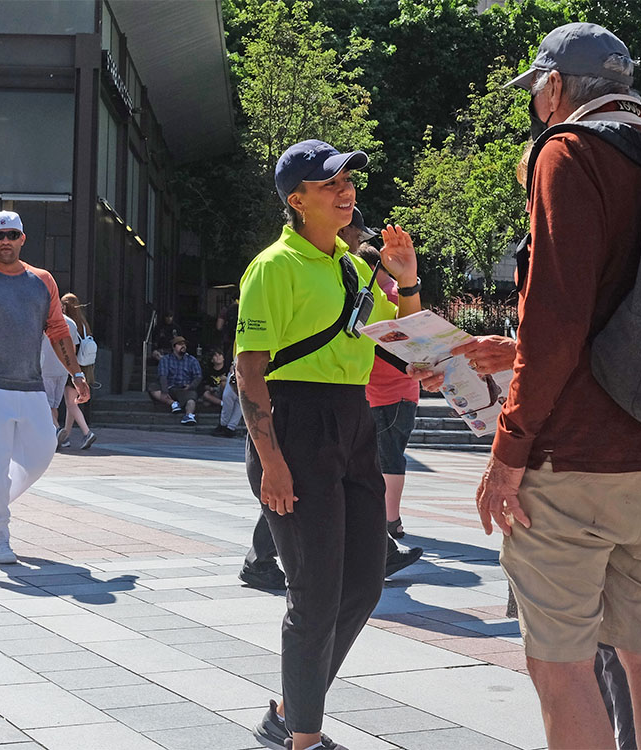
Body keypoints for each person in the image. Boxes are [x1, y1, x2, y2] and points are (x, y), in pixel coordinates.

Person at [479, 24, 641, 749]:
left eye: (536, 92)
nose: (535, 105)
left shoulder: (566, 153)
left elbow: (558, 317)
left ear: (555, 87)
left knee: (562, 666)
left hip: (574, 462)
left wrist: (508, 450)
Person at [238, 138, 422, 750]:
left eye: (348, 181)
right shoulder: (273, 267)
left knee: (365, 583)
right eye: (330, 184)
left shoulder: (356, 264)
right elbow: (249, 372)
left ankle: (289, 710)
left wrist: (408, 280)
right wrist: (271, 463)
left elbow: (411, 347)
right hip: (295, 419)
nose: (346, 191)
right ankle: (303, 739)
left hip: (354, 418)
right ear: (297, 200)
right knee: (314, 595)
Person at [0, 211, 90, 564]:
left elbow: (57, 330)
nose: (6, 240)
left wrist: (76, 373)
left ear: (23, 238)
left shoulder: (42, 280)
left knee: (42, 451)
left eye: (12, 234)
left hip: (30, 382)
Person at [357, 245, 422, 540]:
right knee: (384, 456)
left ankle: (391, 520)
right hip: (385, 392)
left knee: (390, 456)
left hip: (392, 393)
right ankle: (384, 518)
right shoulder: (388, 294)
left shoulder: (392, 295)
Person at [58, 293, 96, 450]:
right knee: (71, 403)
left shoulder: (69, 324)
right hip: (86, 367)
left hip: (72, 368)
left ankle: (87, 432)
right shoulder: (84, 324)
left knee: (71, 403)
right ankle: (65, 435)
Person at [150, 336, 202, 425]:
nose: (183, 346)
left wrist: (191, 386)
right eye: (180, 344)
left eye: (184, 344)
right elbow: (163, 375)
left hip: (184, 388)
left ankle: (189, 415)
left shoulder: (192, 360)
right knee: (153, 387)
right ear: (174, 347)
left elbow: (198, 376)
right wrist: (165, 390)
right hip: (170, 387)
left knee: (191, 398)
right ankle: (173, 404)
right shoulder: (166, 359)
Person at [216, 289, 240, 357]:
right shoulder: (245, 310)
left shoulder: (226, 309)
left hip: (228, 340)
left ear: (232, 299)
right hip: (241, 341)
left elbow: (219, 326)